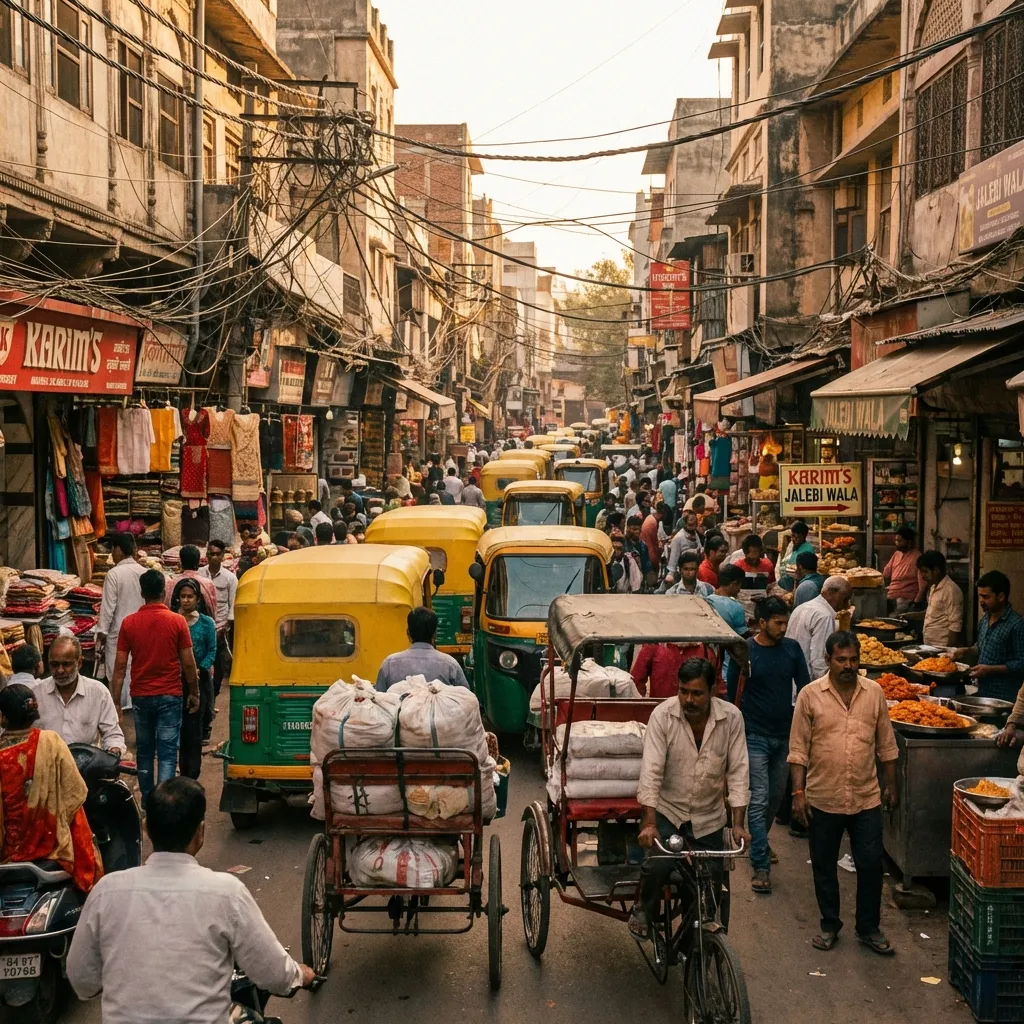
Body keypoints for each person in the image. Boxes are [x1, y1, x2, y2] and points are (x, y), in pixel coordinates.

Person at [67, 778, 315, 1023]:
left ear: (146, 828)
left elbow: (82, 980)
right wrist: (300, 975)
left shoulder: (106, 892)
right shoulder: (227, 893)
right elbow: (272, 973)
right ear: (201, 832)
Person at [788, 631, 899, 955]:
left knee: (869, 864)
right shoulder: (810, 696)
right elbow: (798, 750)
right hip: (824, 797)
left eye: (853, 660)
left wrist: (891, 785)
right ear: (828, 660)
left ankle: (868, 928)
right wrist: (798, 792)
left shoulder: (874, 693)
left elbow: (886, 745)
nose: (848, 666)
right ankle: (829, 924)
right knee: (824, 866)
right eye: (841, 660)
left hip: (866, 797)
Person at [630, 658, 751, 940]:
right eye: (683, 691)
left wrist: (739, 825)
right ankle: (643, 910)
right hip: (668, 811)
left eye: (697, 693)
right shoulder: (663, 716)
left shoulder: (731, 718)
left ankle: (695, 945)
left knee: (709, 885)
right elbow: (651, 771)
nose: (688, 699)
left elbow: (738, 772)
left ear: (712, 691)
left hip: (709, 816)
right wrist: (649, 823)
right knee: (659, 864)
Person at [727, 597, 809, 895]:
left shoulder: (792, 649)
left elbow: (805, 689)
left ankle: (761, 839)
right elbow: (733, 694)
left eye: (785, 622)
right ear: (761, 623)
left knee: (775, 798)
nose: (784, 627)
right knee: (759, 798)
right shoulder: (746, 651)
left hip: (785, 735)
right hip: (754, 735)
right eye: (778, 622)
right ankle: (760, 864)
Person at [0, 684, 103, 892]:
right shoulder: (51, 742)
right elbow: (76, 794)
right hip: (52, 848)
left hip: (7, 854)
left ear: (3, 717)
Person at [112, 570, 200, 802]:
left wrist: (115, 703)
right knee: (168, 752)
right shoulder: (177, 621)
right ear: (164, 593)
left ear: (142, 593)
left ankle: (147, 801)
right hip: (170, 694)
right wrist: (195, 693)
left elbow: (119, 668)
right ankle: (164, 802)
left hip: (141, 696)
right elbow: (189, 664)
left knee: (145, 750)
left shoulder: (129, 623)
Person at [28, 635, 124, 754]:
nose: (60, 670)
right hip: (46, 766)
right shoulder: (35, 693)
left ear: (79, 663)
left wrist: (114, 750)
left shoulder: (98, 692)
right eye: (54, 665)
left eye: (66, 664)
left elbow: (112, 733)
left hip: (86, 765)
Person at [954, 570, 1024, 703]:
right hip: (983, 693)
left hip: (1005, 697)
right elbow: (981, 647)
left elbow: (1022, 664)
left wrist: (990, 670)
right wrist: (966, 651)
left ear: (1001, 596)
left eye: (986, 597)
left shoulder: (1017, 625)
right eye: (980, 596)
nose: (981, 601)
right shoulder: (985, 620)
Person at [171, 580, 216, 780]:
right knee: (177, 727)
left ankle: (193, 773)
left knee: (195, 729)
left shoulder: (207, 623)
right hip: (175, 681)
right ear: (177, 599)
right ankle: (179, 769)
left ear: (197, 599)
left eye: (190, 596)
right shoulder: (172, 621)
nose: (186, 600)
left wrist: (201, 669)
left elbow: (212, 650)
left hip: (200, 681)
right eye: (183, 596)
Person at [96, 532, 148, 707]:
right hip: (142, 633)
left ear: (118, 549)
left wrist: (101, 633)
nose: (111, 554)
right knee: (137, 672)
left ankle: (120, 711)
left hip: (118, 635)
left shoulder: (114, 574)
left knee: (118, 674)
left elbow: (108, 608)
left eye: (112, 550)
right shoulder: (145, 572)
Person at [375, 607, 470, 692]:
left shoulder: (389, 664)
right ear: (435, 634)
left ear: (408, 633)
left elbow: (379, 701)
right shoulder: (450, 665)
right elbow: (465, 699)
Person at [785, 576, 852, 681]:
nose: (847, 604)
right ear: (830, 592)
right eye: (845, 598)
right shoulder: (824, 616)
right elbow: (819, 662)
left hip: (791, 675)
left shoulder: (803, 607)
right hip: (807, 680)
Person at [199, 538, 237, 714]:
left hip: (220, 629)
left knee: (219, 669)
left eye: (217, 554)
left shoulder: (230, 578)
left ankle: (212, 699)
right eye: (211, 554)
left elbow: (232, 605)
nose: (213, 557)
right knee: (202, 666)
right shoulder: (199, 574)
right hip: (200, 628)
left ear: (223, 556)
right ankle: (203, 702)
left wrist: (226, 626)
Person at [918, 550, 963, 648]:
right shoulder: (933, 587)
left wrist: (948, 651)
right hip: (929, 645)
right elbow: (931, 613)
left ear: (936, 570)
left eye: (925, 571)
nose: (922, 576)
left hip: (942, 647)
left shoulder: (951, 590)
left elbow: (955, 624)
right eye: (921, 572)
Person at [164, 545, 218, 623]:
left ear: (180, 561)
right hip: (202, 629)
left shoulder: (171, 583)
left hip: (175, 626)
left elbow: (167, 608)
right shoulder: (207, 584)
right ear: (199, 561)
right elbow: (212, 610)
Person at [881, 526, 923, 612]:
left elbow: (922, 586)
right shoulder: (897, 554)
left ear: (909, 542)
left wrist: (916, 603)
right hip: (891, 594)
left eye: (899, 541)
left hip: (905, 598)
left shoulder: (918, 557)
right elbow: (886, 573)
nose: (896, 543)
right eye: (896, 540)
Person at [777, 521, 814, 592]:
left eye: (795, 536)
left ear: (802, 536)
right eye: (792, 536)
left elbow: (802, 573)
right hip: (787, 585)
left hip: (797, 587)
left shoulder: (807, 550)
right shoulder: (796, 546)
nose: (792, 539)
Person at [666, 510, 704, 577]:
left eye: (695, 524)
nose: (693, 527)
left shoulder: (694, 533)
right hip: (683, 573)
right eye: (691, 525)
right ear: (685, 524)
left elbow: (700, 548)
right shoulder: (678, 538)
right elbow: (672, 565)